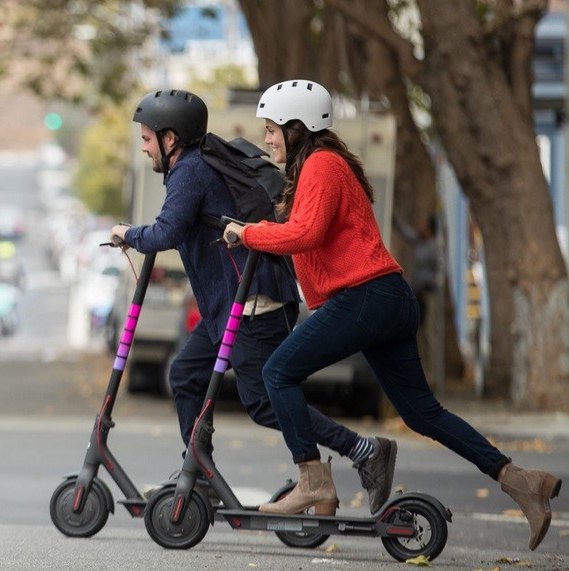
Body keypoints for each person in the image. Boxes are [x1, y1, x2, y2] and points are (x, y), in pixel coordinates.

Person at [223, 79, 562, 549]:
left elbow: (305, 234)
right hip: (385, 299)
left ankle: (313, 479)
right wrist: (263, 231)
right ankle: (520, 480)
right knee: (422, 413)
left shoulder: (322, 164)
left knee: (276, 372)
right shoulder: (318, 168)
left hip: (364, 298)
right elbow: (306, 235)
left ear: (298, 127)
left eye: (272, 129)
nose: (267, 138)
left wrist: (249, 234)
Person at [111, 89, 398, 512]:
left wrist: (127, 233)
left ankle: (362, 450)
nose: (143, 145)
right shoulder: (197, 162)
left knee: (264, 402)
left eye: (147, 137)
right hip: (228, 308)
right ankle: (200, 472)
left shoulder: (191, 170)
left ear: (170, 139)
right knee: (187, 376)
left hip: (253, 304)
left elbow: (166, 231)